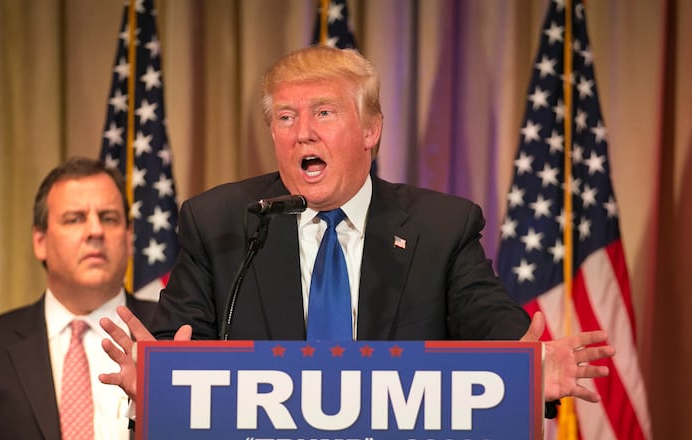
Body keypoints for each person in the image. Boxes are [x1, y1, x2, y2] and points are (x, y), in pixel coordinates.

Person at [99, 46, 613, 414]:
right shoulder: (220, 222)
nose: (303, 132)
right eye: (285, 117)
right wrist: (161, 384)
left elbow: (492, 329)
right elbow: (175, 347)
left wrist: (530, 372)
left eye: (324, 112)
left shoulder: (441, 227)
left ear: (371, 130)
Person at [0, 157, 157, 439]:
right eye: (74, 218)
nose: (95, 231)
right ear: (40, 241)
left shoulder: (178, 338)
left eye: (109, 218)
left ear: (129, 239)